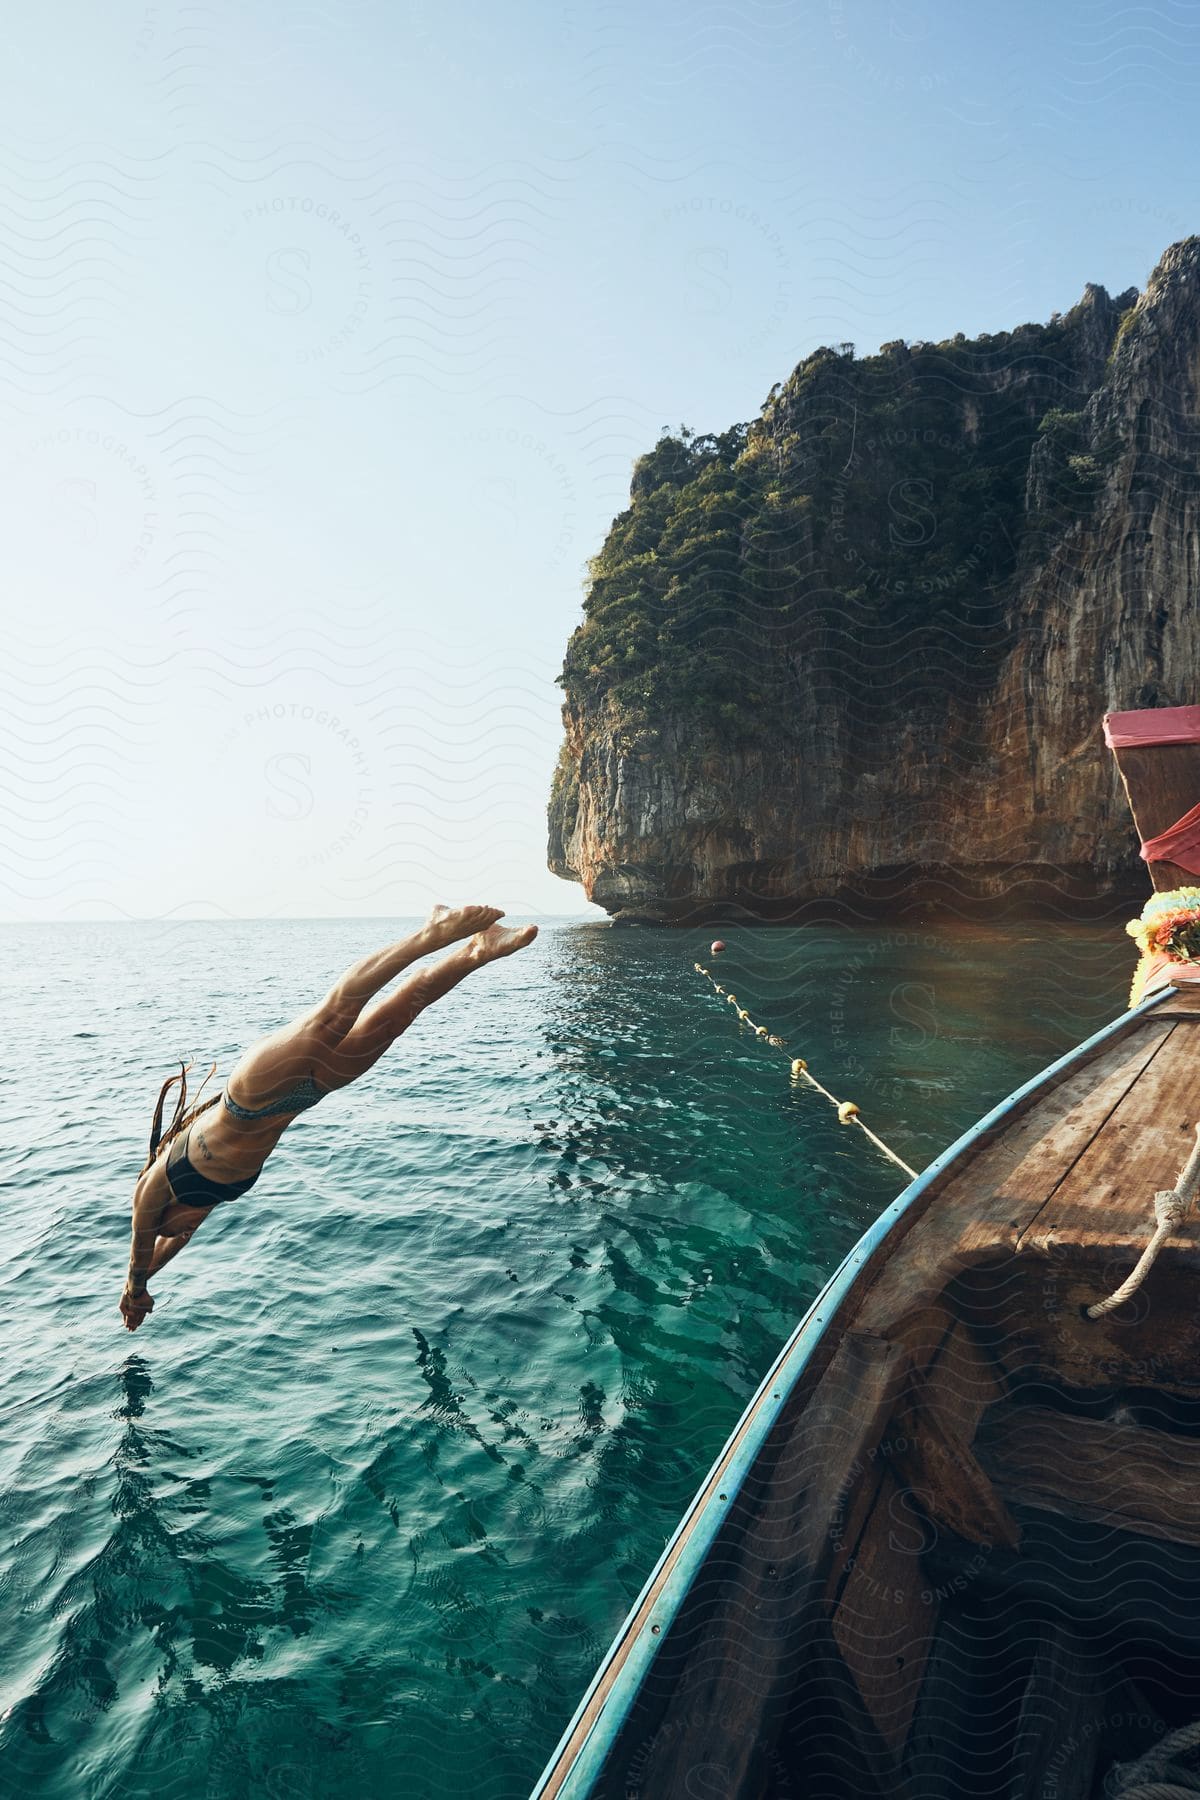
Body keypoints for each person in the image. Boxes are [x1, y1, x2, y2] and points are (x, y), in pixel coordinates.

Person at [120, 905, 537, 1331]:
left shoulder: (156, 1186)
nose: (179, 1234)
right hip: (304, 1095)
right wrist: (149, 1280)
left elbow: (140, 1246)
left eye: (170, 1231)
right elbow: (167, 1247)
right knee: (398, 1017)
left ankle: (432, 932)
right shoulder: (203, 1203)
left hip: (252, 1092)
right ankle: (476, 951)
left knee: (332, 1017)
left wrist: (134, 1290)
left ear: (163, 1213)